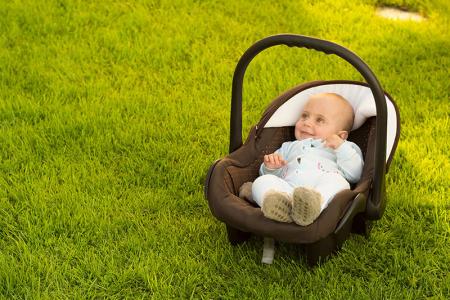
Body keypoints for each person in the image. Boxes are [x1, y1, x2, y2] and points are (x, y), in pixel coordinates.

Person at [240, 92, 364, 226]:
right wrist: (270, 168)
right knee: (261, 182)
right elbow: (274, 174)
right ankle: (280, 207)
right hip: (288, 191)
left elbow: (355, 175)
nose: (307, 123)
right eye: (304, 116)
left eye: (319, 120)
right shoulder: (289, 147)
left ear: (341, 135)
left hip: (319, 192)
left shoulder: (345, 148)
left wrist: (341, 147)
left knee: (339, 182)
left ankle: (313, 208)